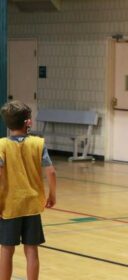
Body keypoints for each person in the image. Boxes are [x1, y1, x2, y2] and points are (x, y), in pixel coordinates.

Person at [0, 100, 57, 280]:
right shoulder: (38, 143)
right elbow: (51, 172)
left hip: (10, 206)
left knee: (6, 249)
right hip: (32, 205)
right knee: (31, 249)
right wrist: (52, 194)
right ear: (28, 122)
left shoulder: (1, 145)